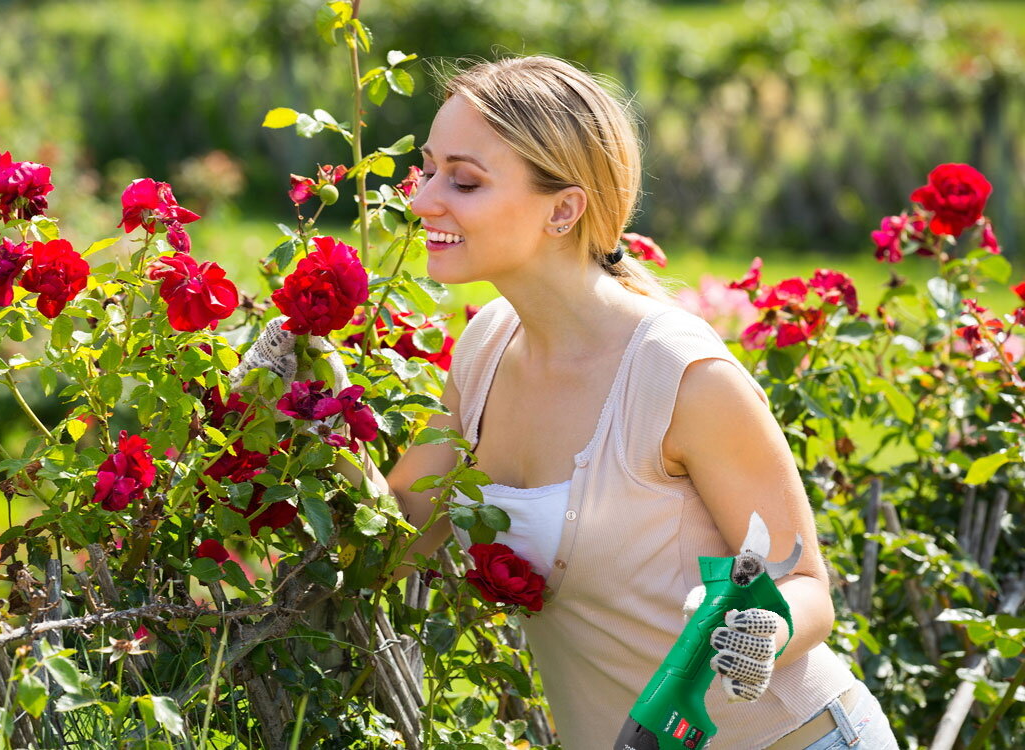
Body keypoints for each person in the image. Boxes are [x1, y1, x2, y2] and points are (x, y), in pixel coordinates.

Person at [241, 56, 900, 749]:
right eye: (428, 170)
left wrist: (763, 627)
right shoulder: (488, 348)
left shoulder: (681, 377)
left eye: (464, 181)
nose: (426, 199)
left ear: (564, 208)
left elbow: (803, 586)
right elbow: (399, 539)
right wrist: (317, 399)